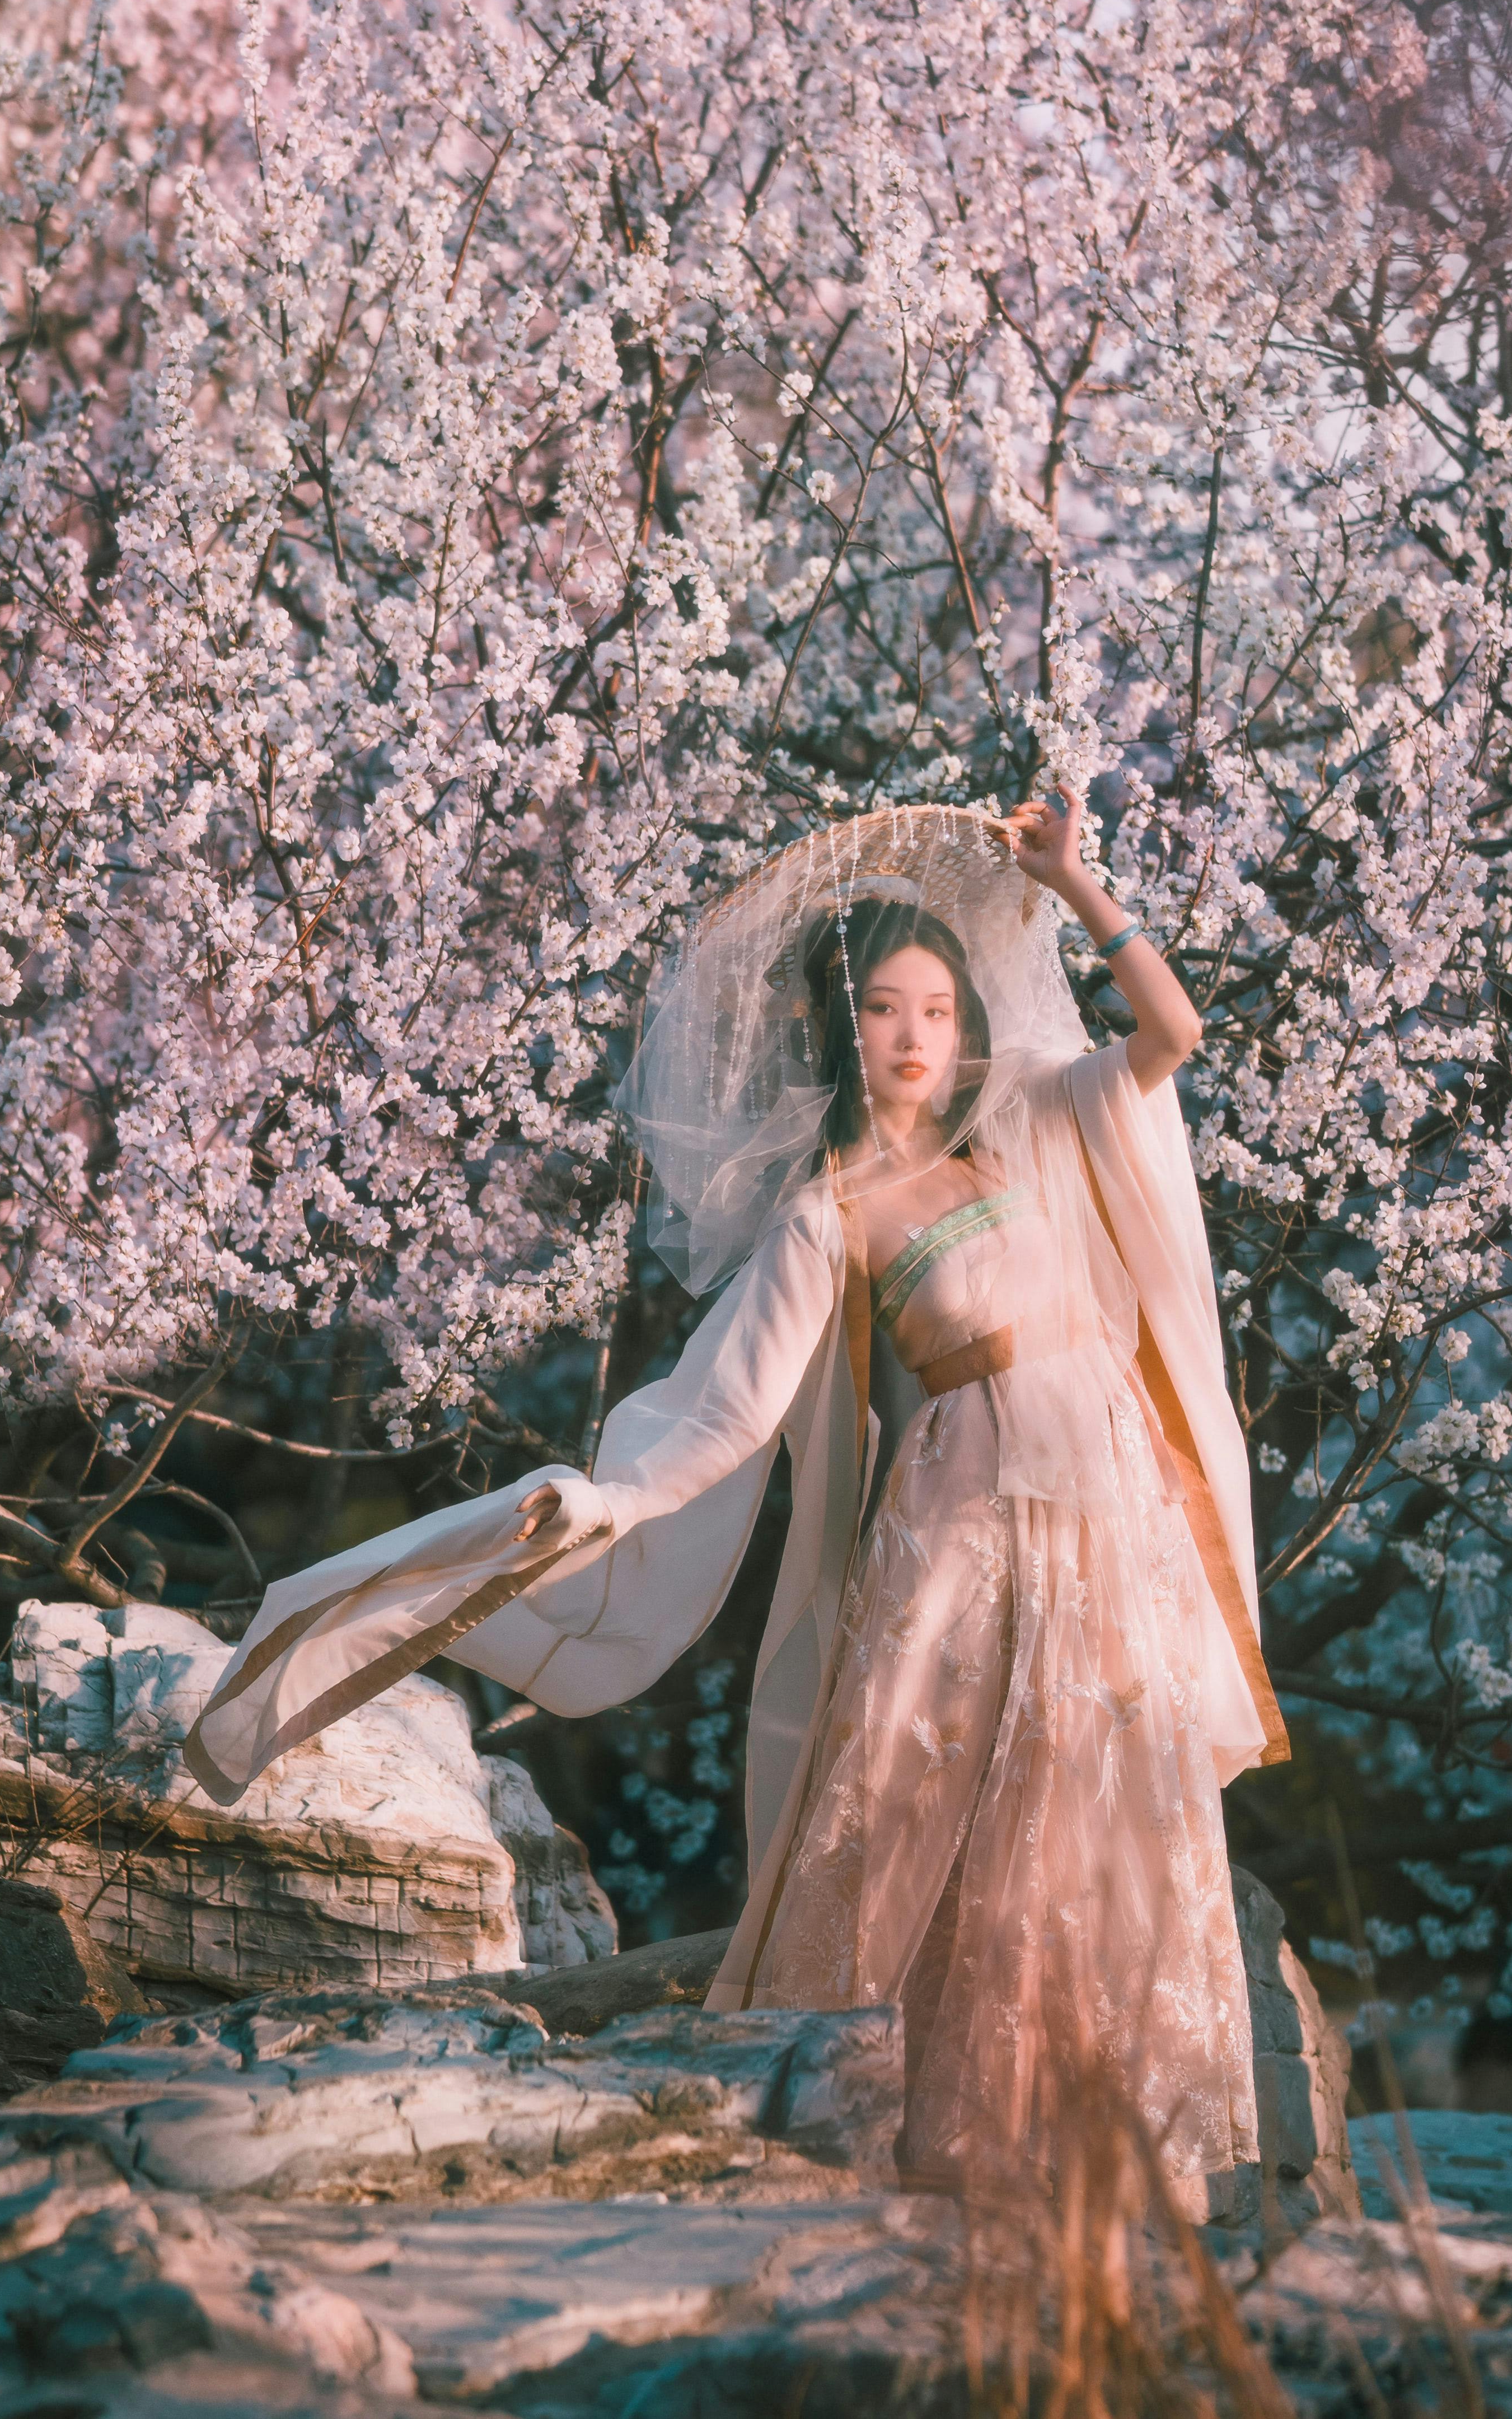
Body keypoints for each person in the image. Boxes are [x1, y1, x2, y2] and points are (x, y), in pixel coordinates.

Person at [185, 789, 1286, 2195]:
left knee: (1090, 1812)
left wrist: (1076, 884)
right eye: (886, 1009)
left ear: (968, 1031)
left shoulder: (1032, 1134)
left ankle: (1104, 2143)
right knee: (906, 1813)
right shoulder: (828, 1210)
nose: (913, 1036)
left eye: (938, 1011)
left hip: (1103, 1522)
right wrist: (609, 1501)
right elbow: (728, 1411)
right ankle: (915, 2127)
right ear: (848, 1030)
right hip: (957, 1533)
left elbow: (1170, 1037)